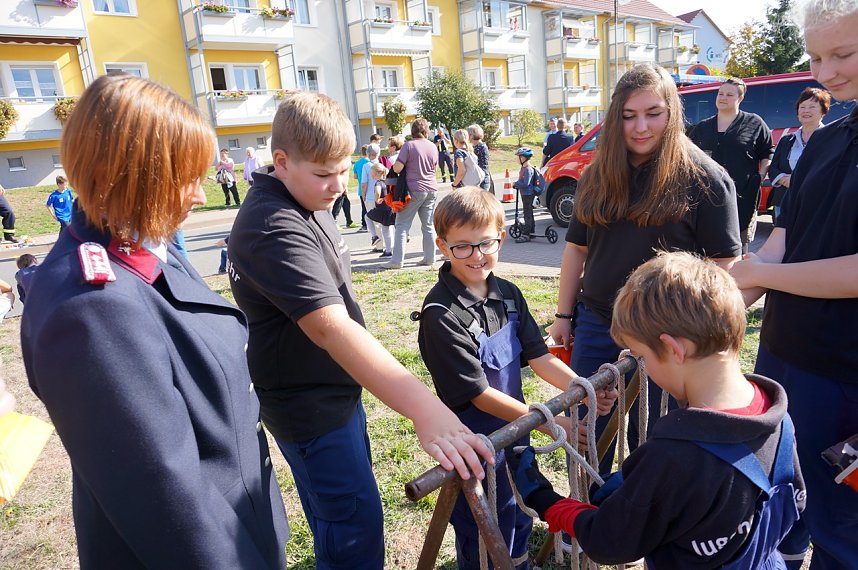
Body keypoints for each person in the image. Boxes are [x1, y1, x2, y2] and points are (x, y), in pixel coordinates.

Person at [19, 74, 288, 568]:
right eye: (186, 178)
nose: (201, 196)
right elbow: (166, 498)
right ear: (133, 176)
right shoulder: (92, 310)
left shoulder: (136, 243)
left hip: (239, 520)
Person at [226, 91, 494, 570]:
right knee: (352, 533)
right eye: (324, 174)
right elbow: (331, 329)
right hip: (309, 407)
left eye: (342, 170)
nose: (336, 186)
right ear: (281, 161)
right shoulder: (273, 225)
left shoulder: (305, 198)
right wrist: (426, 409)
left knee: (352, 519)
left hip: (333, 394)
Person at [510, 252, 805, 568]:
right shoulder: (778, 419)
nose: (645, 369)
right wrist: (639, 487)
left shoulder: (673, 457)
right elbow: (794, 503)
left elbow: (609, 542)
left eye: (642, 356)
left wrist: (544, 499)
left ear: (674, 349)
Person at [546, 63, 742, 477]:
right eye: (629, 115)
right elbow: (576, 249)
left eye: (653, 113)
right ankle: (588, 515)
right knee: (587, 431)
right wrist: (564, 315)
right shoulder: (597, 172)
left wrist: (696, 333)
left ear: (672, 111)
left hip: (666, 337)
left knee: (654, 437)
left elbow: (725, 266)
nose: (640, 127)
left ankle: (644, 521)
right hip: (598, 325)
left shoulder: (706, 178)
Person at [417, 188, 615, 570]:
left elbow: (539, 357)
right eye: (462, 247)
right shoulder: (441, 314)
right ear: (442, 246)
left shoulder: (508, 294)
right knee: (485, 527)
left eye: (485, 243)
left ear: (501, 238)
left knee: (520, 510)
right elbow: (477, 394)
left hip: (515, 437)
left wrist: (582, 392)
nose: (476, 255)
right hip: (473, 445)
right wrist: (549, 421)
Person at [730, 1, 858, 566]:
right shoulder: (825, 141)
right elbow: (784, 235)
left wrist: (764, 274)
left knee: (841, 530)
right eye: (815, 56)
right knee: (781, 508)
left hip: (846, 377)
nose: (825, 72)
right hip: (784, 358)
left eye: (843, 54)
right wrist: (730, 293)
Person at [690, 77, 774, 253]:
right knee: (706, 243)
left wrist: (759, 176)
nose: (723, 97)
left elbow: (767, 152)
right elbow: (689, 156)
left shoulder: (754, 123)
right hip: (708, 194)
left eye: (729, 94)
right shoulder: (703, 127)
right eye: (720, 93)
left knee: (737, 245)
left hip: (742, 194)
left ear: (740, 98)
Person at [767, 87, 830, 222]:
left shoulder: (832, 138)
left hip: (819, 202)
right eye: (802, 107)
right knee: (784, 241)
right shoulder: (786, 140)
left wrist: (798, 180)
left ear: (823, 111)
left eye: (812, 107)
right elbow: (773, 168)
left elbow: (834, 170)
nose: (806, 111)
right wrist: (784, 179)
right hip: (784, 201)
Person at [388, 118, 440, 270]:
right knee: (428, 225)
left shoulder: (408, 146)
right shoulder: (432, 146)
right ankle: (430, 258)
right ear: (426, 130)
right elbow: (435, 168)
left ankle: (397, 261)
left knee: (402, 224)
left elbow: (397, 168)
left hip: (413, 189)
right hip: (431, 188)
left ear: (412, 131)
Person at [366, 162, 394, 257]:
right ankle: (389, 251)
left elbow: (377, 191)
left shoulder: (378, 182)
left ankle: (374, 236)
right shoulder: (388, 181)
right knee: (387, 229)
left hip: (382, 208)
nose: (371, 174)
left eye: (372, 173)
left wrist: (376, 199)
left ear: (376, 173)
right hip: (390, 208)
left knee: (367, 216)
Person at [512, 147, 536, 243]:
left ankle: (526, 234)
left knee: (527, 214)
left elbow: (526, 184)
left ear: (524, 158)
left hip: (528, 194)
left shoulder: (528, 170)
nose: (518, 159)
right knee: (529, 212)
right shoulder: (523, 168)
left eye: (519, 157)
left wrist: (516, 184)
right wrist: (517, 183)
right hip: (524, 193)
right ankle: (531, 231)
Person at [361, 143, 383, 250]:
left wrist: (363, 195)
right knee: (382, 221)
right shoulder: (382, 164)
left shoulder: (366, 166)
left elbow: (364, 183)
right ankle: (385, 244)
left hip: (370, 196)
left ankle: (379, 244)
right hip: (381, 196)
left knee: (373, 220)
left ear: (368, 153)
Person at [467, 124, 492, 192]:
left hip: (481, 178)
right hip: (479, 177)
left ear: (471, 135)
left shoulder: (480, 147)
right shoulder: (478, 146)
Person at [353, 144, 370, 232]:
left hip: (361, 188)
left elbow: (355, 176)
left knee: (364, 207)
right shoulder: (370, 162)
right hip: (370, 188)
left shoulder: (357, 163)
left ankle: (364, 224)